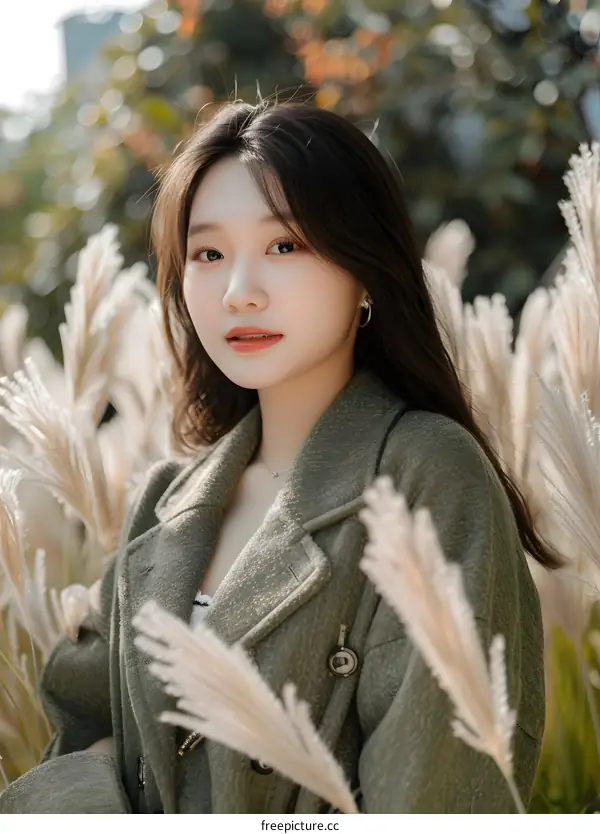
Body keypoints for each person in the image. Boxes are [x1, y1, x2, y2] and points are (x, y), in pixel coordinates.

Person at [0, 97, 562, 814]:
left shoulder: (424, 475)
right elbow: (82, 732)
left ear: (364, 267)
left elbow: (436, 794)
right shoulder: (167, 500)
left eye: (284, 246)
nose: (239, 292)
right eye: (208, 254)